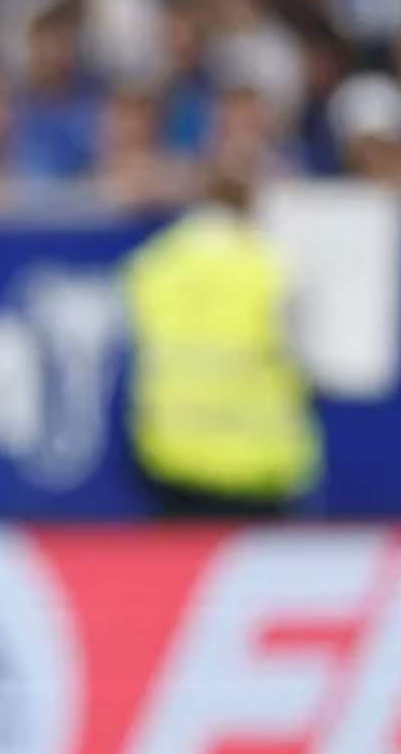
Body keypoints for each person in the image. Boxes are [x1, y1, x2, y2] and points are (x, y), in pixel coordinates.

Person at [123, 149, 320, 519]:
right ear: (253, 198)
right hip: (257, 462)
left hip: (174, 456)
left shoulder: (156, 263)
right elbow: (304, 361)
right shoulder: (271, 267)